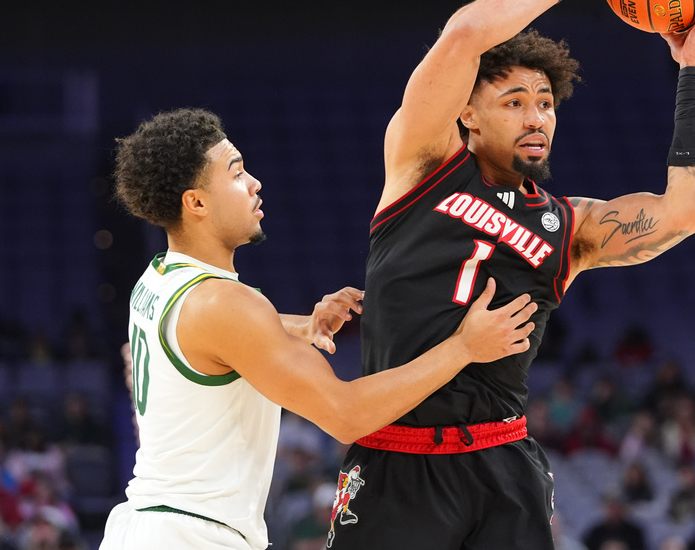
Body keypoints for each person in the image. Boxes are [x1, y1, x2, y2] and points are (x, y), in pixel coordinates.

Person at [333, 0, 695, 550]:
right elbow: (463, 36)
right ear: (468, 114)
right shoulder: (423, 165)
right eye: (513, 102)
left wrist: (691, 67)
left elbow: (686, 208)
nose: (535, 116)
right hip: (397, 456)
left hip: (502, 463)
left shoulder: (569, 224)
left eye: (544, 103)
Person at [100, 108, 538, 550]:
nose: (255, 183)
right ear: (195, 202)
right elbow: (347, 417)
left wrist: (303, 327)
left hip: (144, 527)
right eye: (236, 175)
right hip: (190, 535)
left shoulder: (159, 278)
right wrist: (463, 347)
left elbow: (205, 339)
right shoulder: (226, 303)